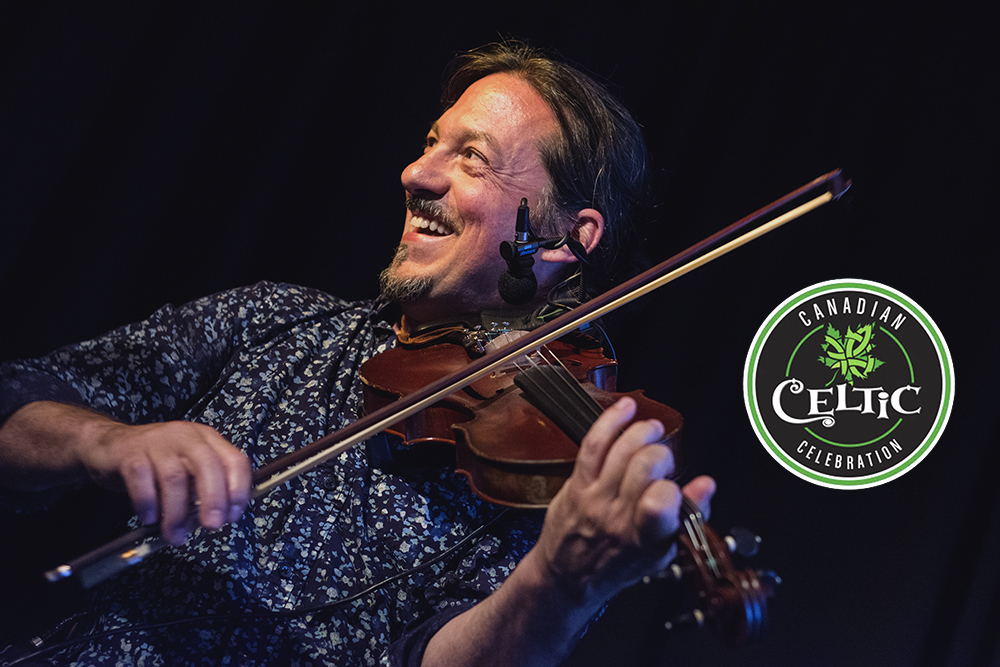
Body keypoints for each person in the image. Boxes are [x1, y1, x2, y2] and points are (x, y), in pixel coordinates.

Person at [0, 42, 714, 666]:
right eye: (430, 143)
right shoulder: (271, 321)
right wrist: (103, 441)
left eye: (472, 157)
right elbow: (16, 402)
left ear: (565, 238)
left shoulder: (560, 479)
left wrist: (558, 584)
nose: (415, 173)